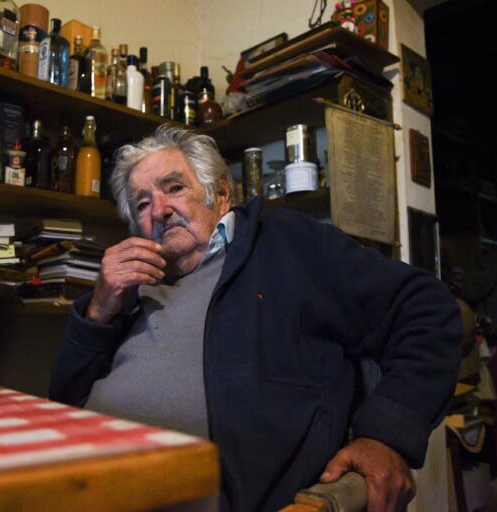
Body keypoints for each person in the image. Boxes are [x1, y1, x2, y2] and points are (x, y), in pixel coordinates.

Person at [49, 125, 462, 512]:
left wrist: (387, 436)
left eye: (174, 188)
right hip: (71, 484)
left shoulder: (286, 243)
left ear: (221, 195)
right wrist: (98, 310)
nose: (159, 210)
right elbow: (64, 400)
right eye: (142, 204)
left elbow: (426, 308)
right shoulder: (130, 288)